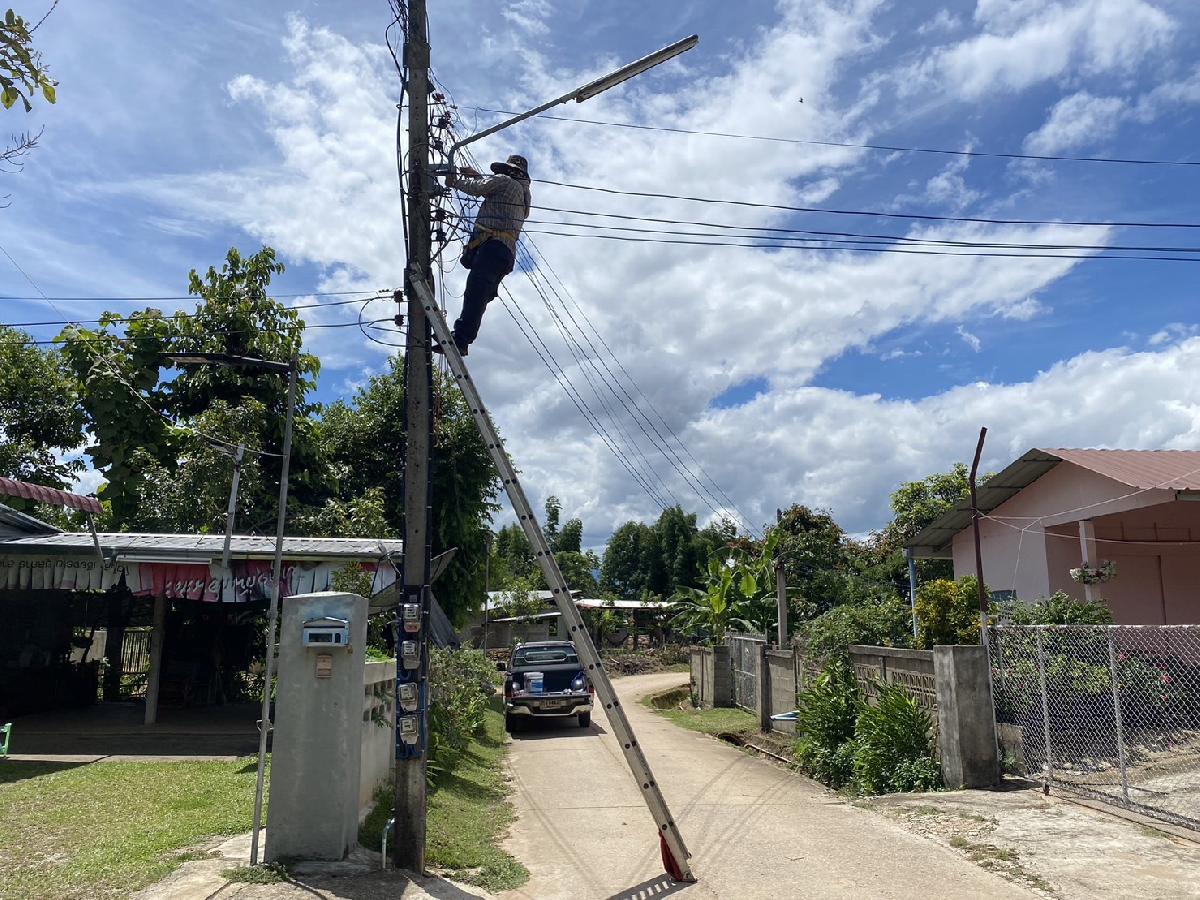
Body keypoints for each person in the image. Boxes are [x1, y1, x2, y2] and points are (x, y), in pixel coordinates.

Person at [437, 153, 531, 356]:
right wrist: (477, 176)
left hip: (492, 246)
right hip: (505, 253)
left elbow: (478, 189)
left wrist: (454, 180)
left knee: (475, 292)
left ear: (512, 171)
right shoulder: (523, 197)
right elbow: (491, 189)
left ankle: (461, 339)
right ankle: (463, 337)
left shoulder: (505, 181)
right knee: (480, 295)